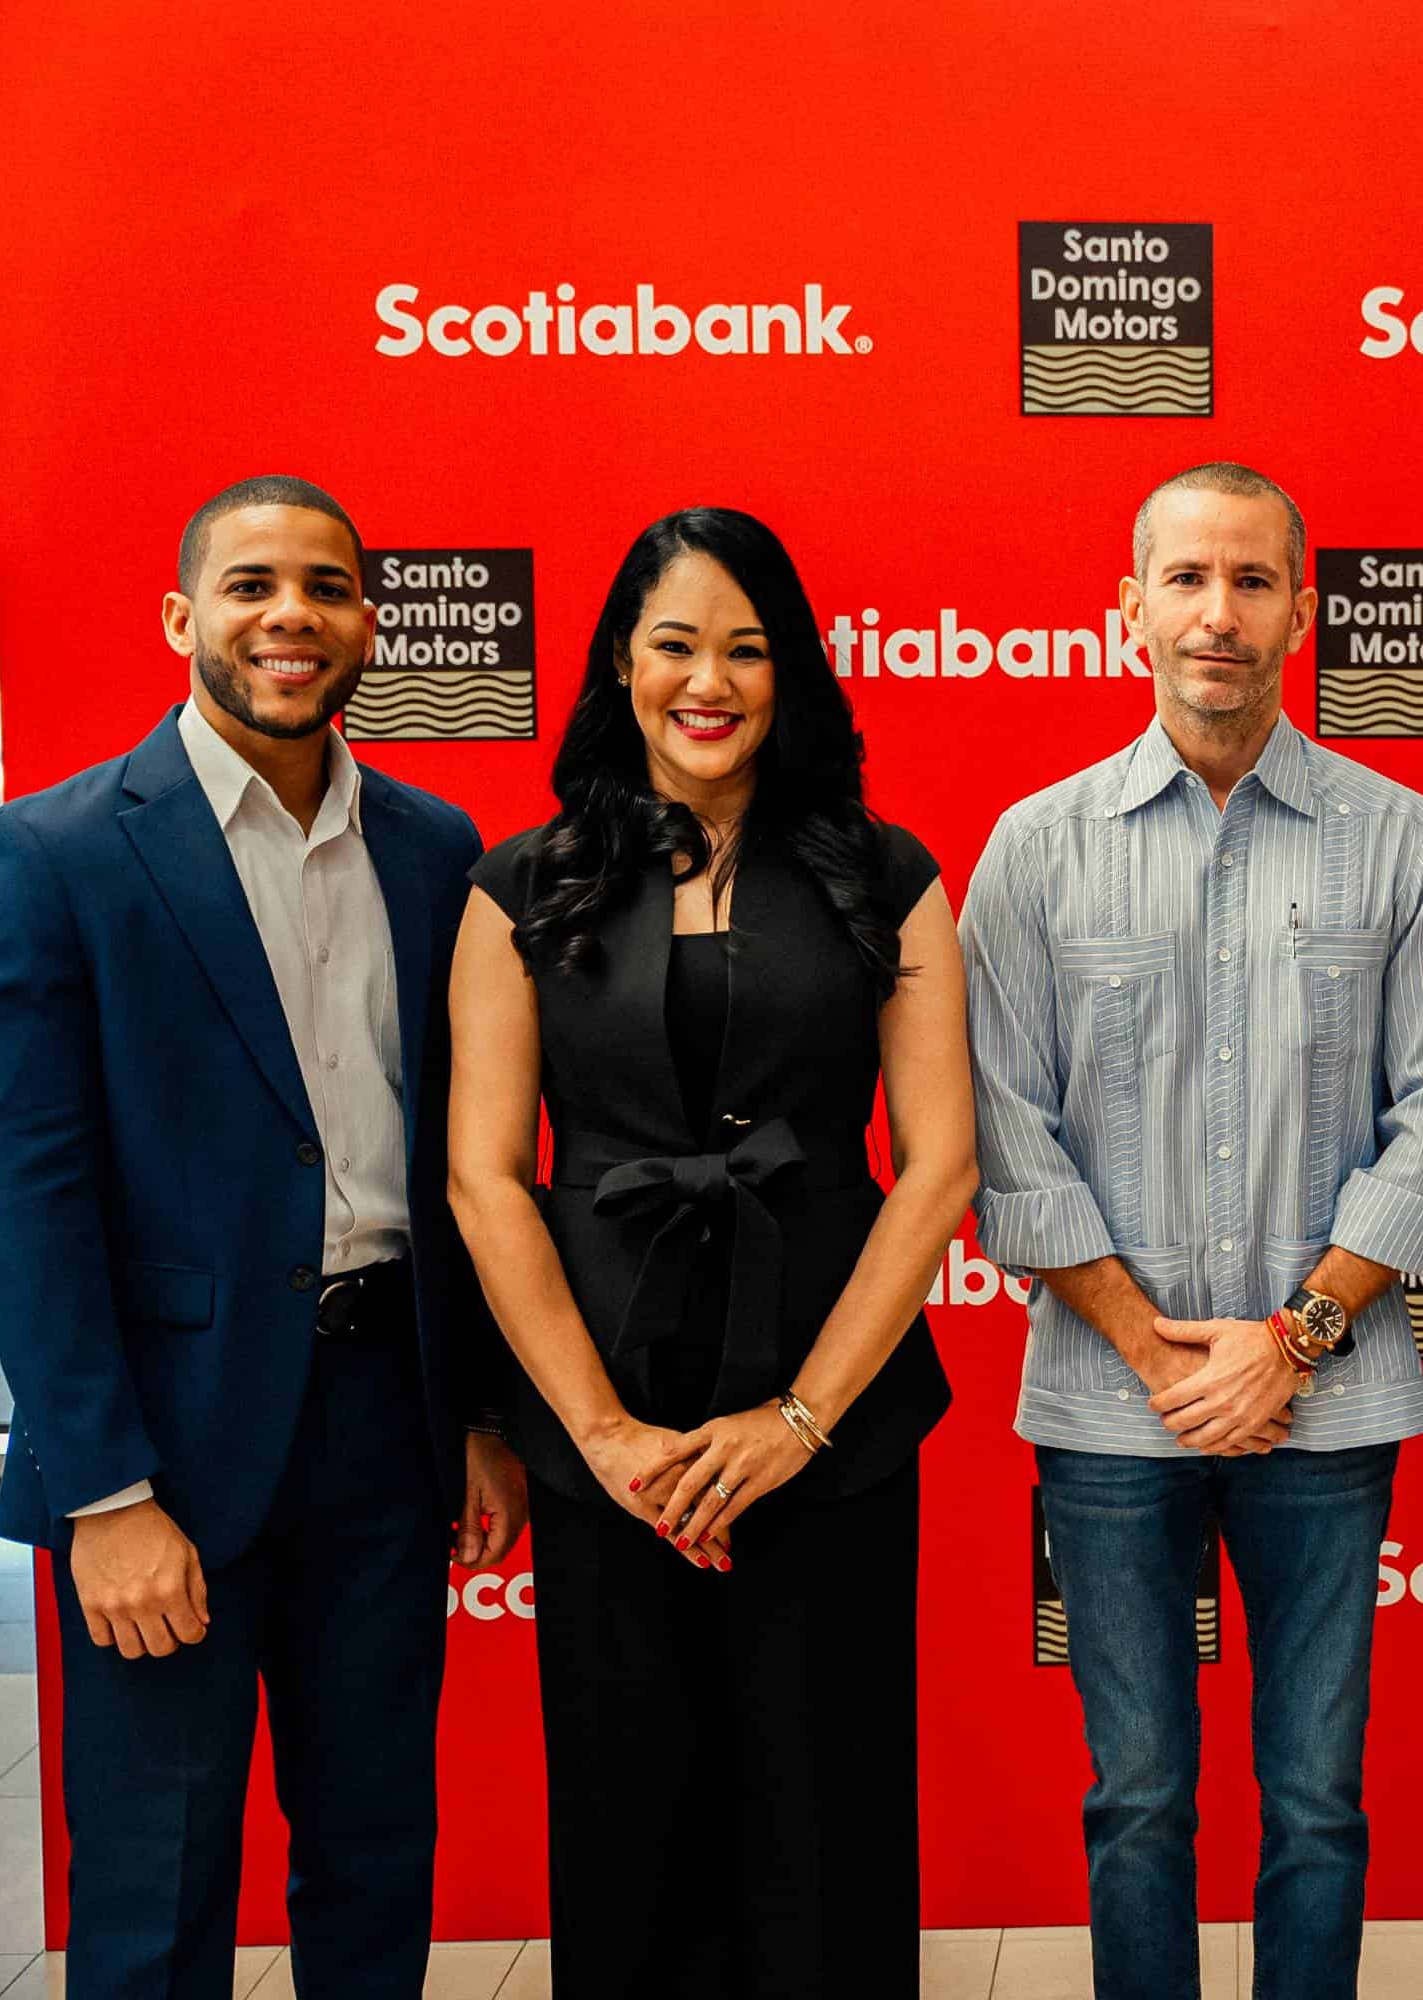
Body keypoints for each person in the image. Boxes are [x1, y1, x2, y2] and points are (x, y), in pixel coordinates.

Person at [0, 475, 524, 1998]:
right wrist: (106, 1489)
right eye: (255, 584)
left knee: (375, 1852)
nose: (293, 616)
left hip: (386, 1429)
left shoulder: (432, 845)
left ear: (366, 626)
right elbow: (26, 1201)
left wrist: (469, 1409)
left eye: (328, 589)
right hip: (165, 1452)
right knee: (158, 1882)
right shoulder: (52, 854)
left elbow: (458, 1153)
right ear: (183, 617)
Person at [959, 461, 1423, 2000]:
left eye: (1253, 581)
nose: (1219, 613)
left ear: (1304, 613)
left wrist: (1291, 1343)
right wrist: (1161, 1352)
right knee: (1137, 1803)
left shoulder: (1405, 842)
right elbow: (1006, 1132)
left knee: (1317, 1803)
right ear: (1126, 609)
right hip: (1106, 1411)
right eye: (1186, 579)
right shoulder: (1035, 849)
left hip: (1329, 1408)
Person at [446, 507, 973, 1996]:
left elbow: (937, 1167)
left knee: (828, 1822)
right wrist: (599, 1435)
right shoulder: (519, 884)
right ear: (622, 662)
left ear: (793, 671)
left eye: (749, 648)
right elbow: (488, 1180)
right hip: (600, 1418)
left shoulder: (888, 872)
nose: (711, 679)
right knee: (628, 1825)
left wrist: (803, 1419)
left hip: (837, 1423)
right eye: (677, 643)